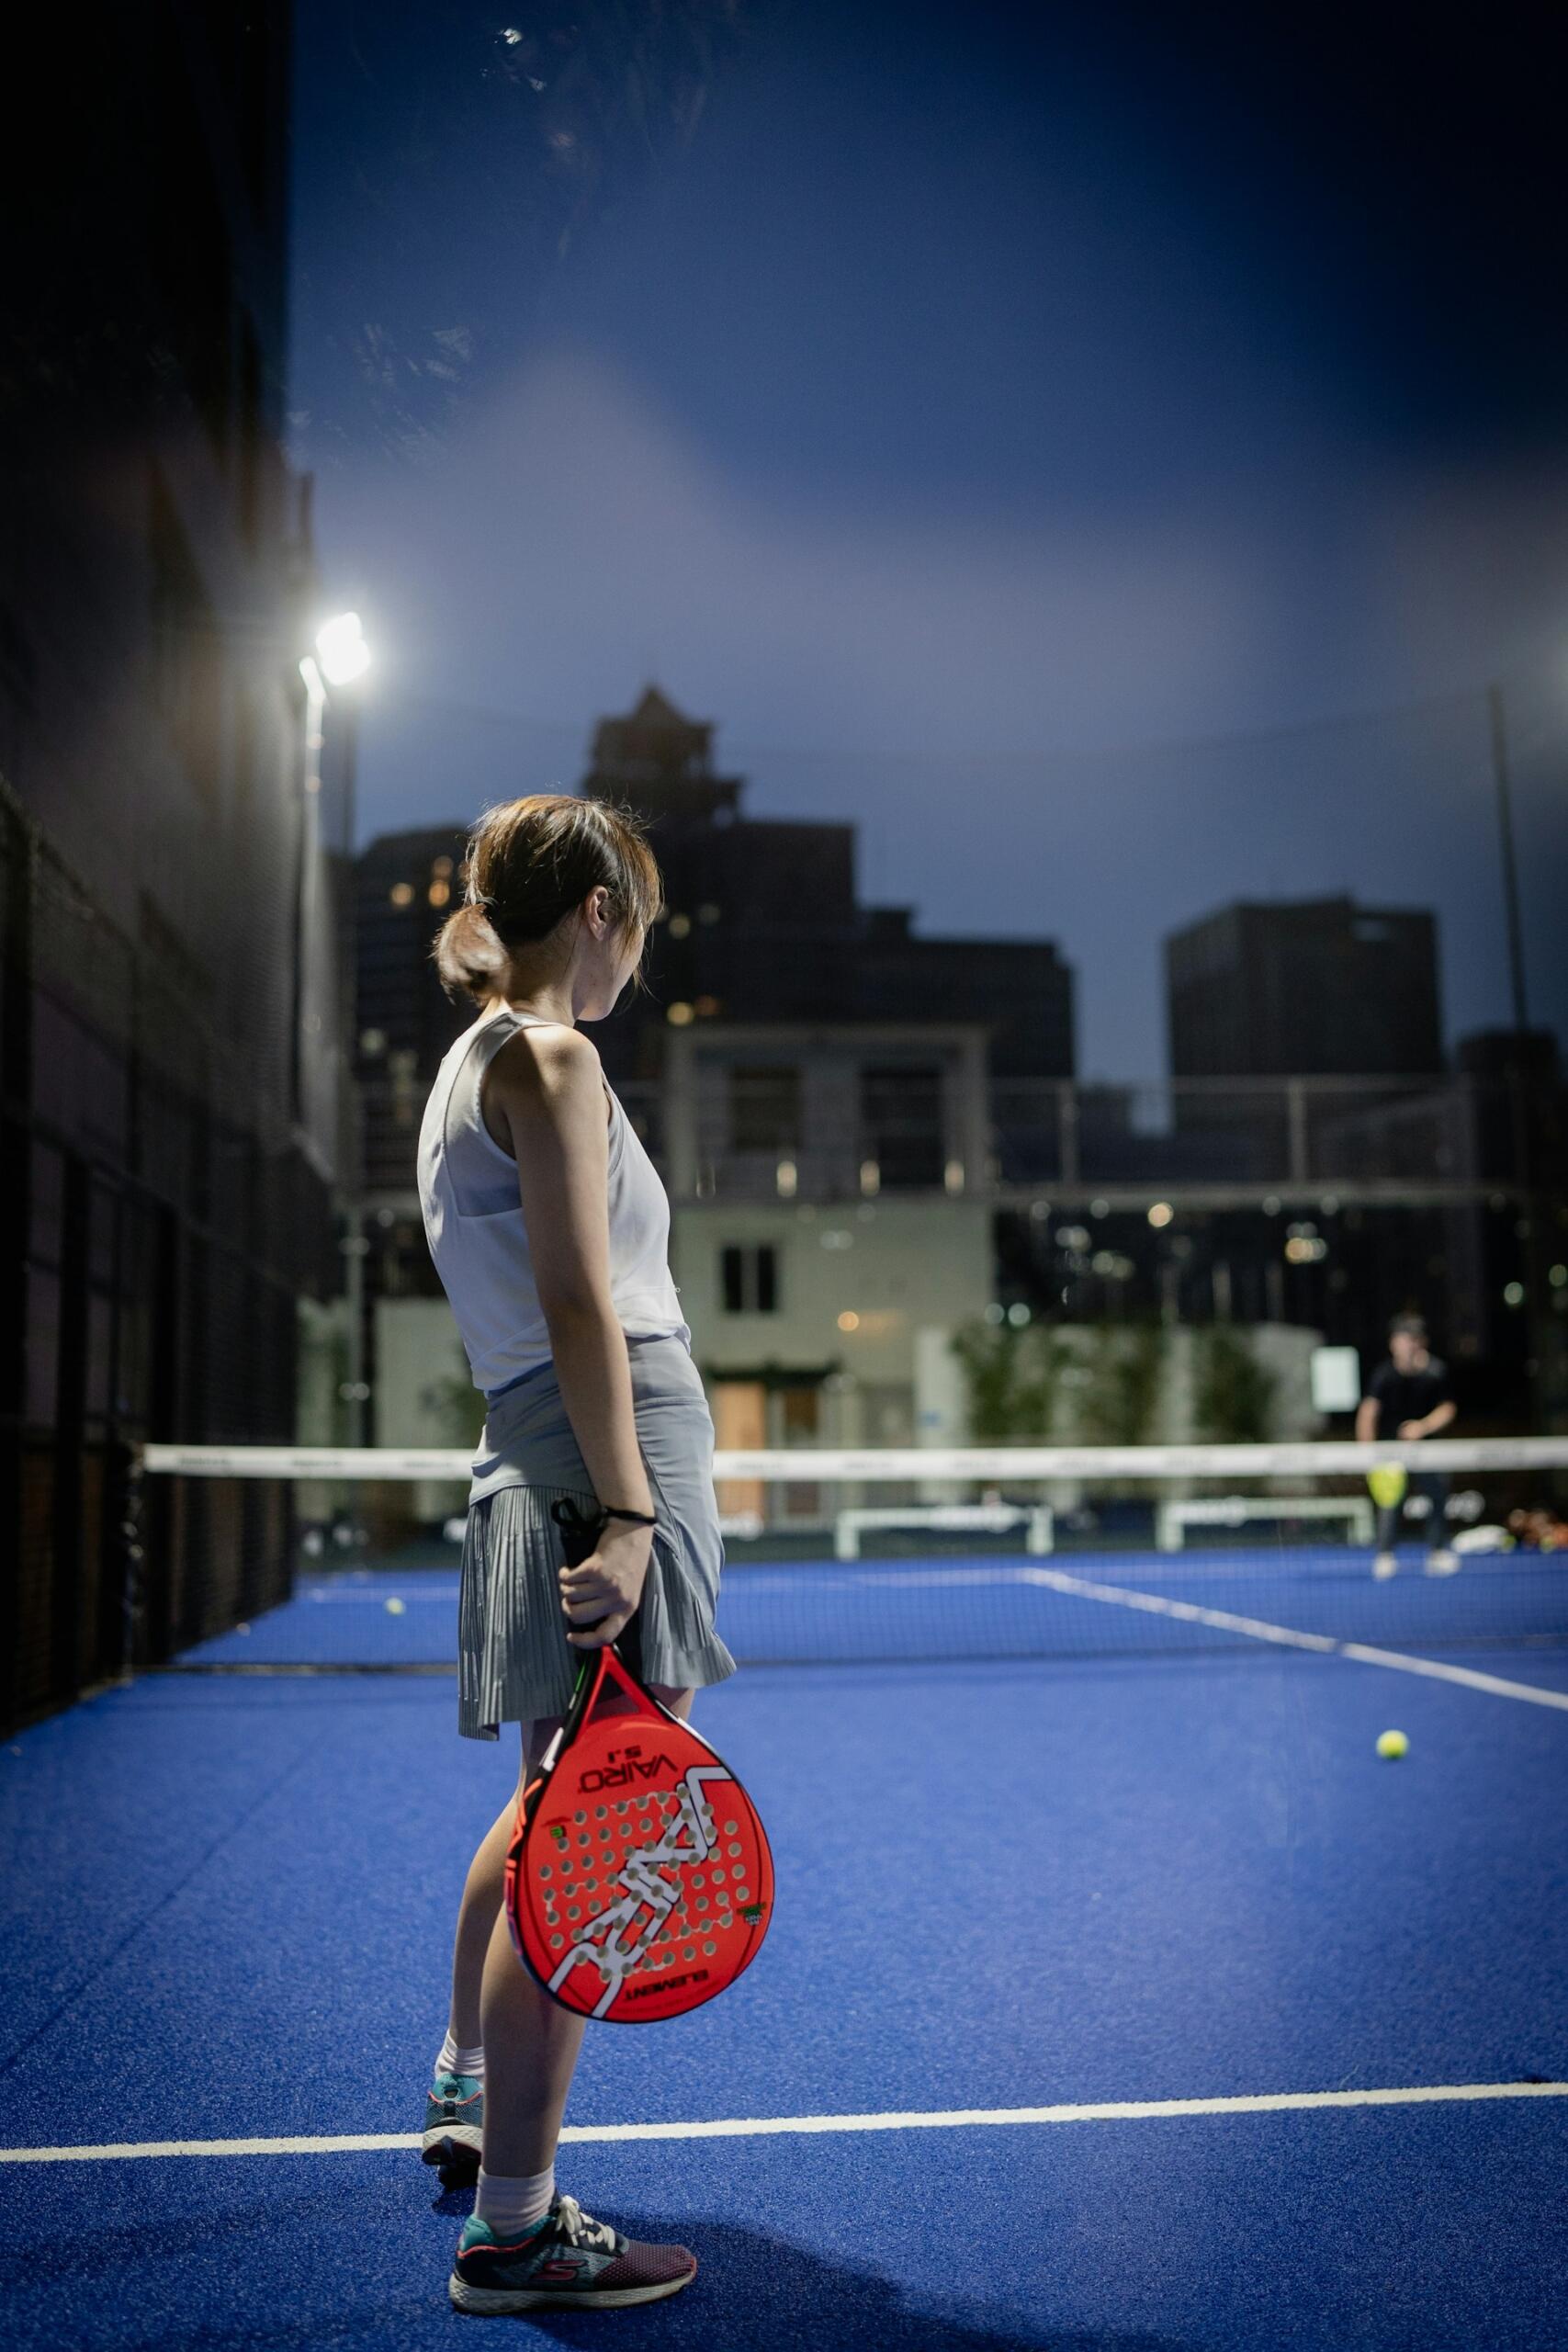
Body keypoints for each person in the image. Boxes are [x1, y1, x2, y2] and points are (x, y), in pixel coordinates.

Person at [414, 794, 738, 2314]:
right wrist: (628, 1511)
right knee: (593, 1833)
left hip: (523, 1448)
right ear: (599, 908)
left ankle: (473, 2086)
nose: (635, 965)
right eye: (640, 930)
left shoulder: (465, 1063)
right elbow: (578, 1302)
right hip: (590, 1456)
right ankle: (517, 2225)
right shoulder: (547, 1053)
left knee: (559, 1805)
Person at [1355, 1314, 1459, 1580]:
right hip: (1390, 1453)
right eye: (1404, 1339)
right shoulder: (1383, 1376)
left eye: (1414, 1339)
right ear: (1393, 1344)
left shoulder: (1436, 1371)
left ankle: (1437, 1552)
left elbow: (1447, 1408)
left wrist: (1421, 1427)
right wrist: (1367, 1455)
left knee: (1437, 1497)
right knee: (1391, 1503)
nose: (1409, 1345)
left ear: (1422, 1342)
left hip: (1427, 1452)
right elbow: (1368, 1413)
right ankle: (1385, 1556)